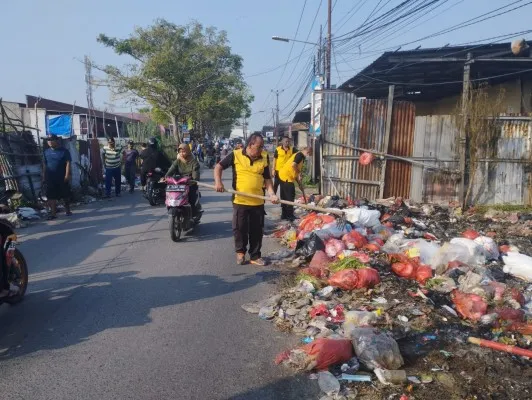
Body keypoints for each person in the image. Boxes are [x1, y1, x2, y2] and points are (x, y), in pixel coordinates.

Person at [215, 133, 279, 266]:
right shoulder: (236, 154)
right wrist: (218, 182)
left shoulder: (264, 157)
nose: (262, 149)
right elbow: (218, 167)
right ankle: (240, 252)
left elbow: (267, 179)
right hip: (240, 201)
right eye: (259, 146)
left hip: (258, 202)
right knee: (239, 229)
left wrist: (272, 194)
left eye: (262, 146)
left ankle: (255, 256)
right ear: (250, 144)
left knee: (257, 230)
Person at [278, 147, 313, 221]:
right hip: (286, 177)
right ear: (308, 152)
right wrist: (299, 172)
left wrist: (299, 184)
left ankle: (284, 215)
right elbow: (293, 165)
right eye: (310, 154)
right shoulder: (300, 156)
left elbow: (295, 173)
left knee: (285, 197)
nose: (309, 156)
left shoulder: (298, 155)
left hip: (284, 176)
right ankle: (289, 215)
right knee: (290, 196)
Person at [42, 134, 72, 220]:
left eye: (51, 140)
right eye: (48, 140)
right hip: (50, 177)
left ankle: (67, 210)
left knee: (65, 194)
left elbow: (68, 163)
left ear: (56, 140)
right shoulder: (46, 152)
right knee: (51, 196)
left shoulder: (64, 151)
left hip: (61, 177)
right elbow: (44, 165)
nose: (50, 142)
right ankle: (53, 214)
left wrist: (67, 175)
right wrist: (43, 177)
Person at [165, 143, 201, 215]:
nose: (182, 153)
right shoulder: (177, 161)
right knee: (170, 196)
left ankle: (194, 214)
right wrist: (165, 178)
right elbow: (170, 171)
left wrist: (192, 181)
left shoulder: (194, 162)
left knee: (191, 199)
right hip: (178, 183)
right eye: (180, 152)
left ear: (188, 151)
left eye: (184, 151)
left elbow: (195, 176)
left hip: (190, 183)